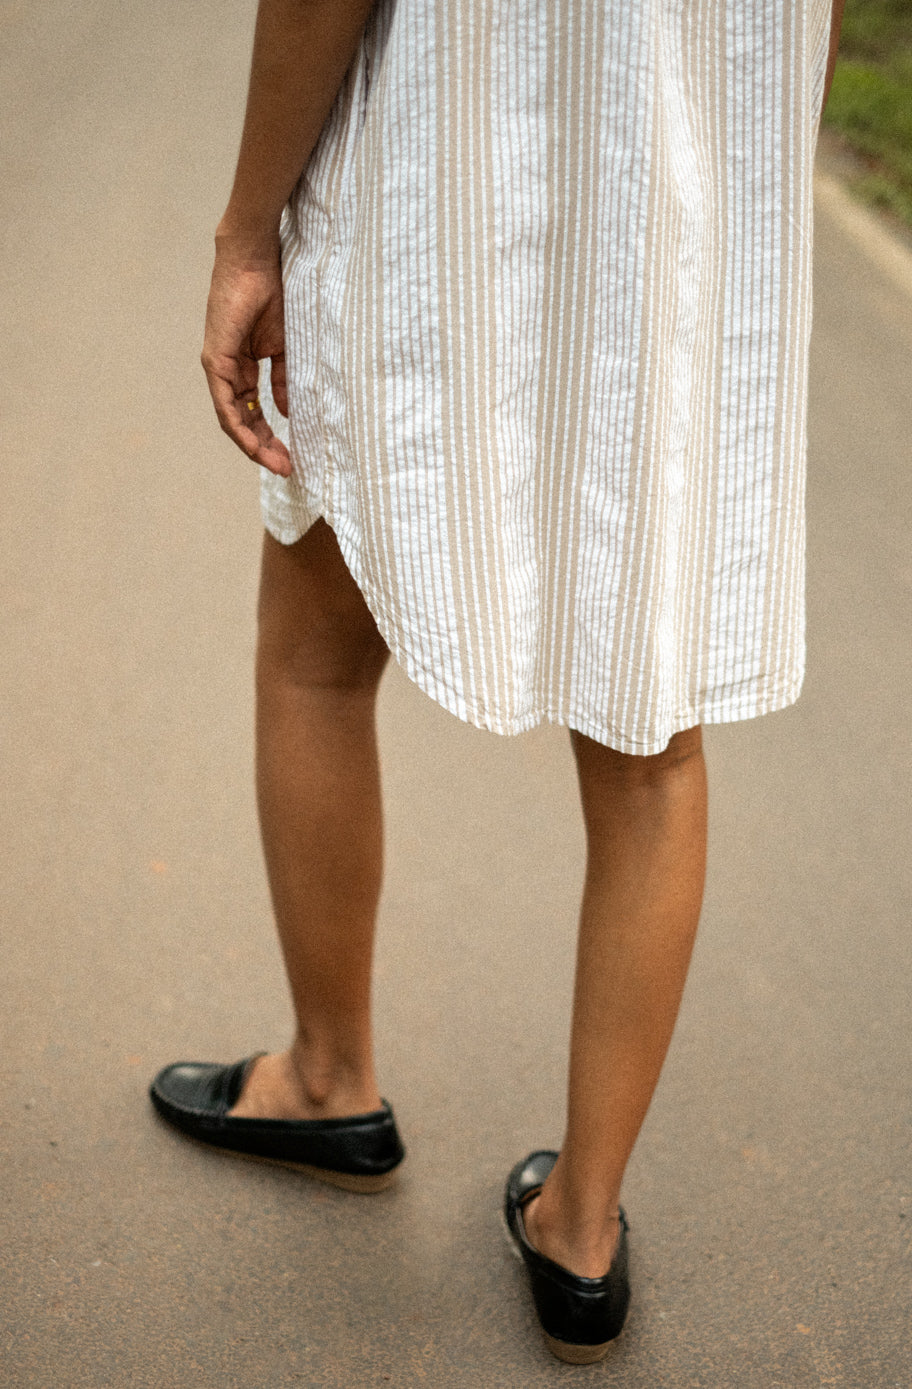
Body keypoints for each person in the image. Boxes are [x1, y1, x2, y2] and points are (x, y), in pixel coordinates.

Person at [150, 0, 845, 1364]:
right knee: (653, 732)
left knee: (314, 646)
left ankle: (329, 1080)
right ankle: (581, 1231)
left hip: (443, 169)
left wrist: (249, 224)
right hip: (684, 192)